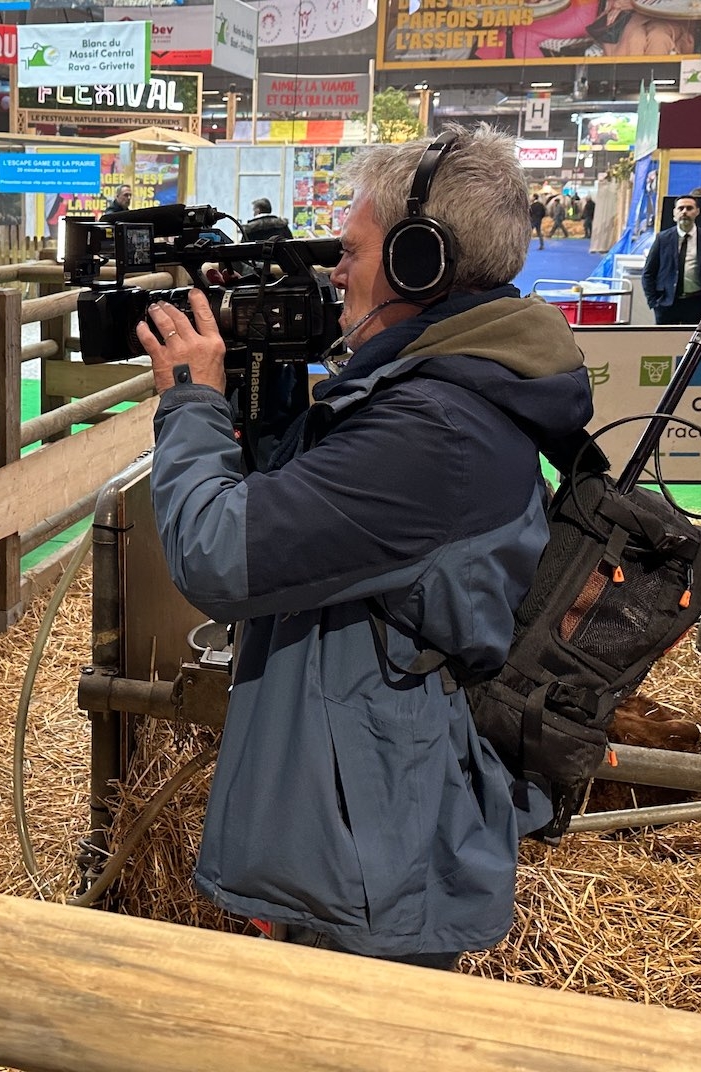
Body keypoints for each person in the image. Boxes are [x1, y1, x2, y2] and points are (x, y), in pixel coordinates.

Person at [135, 125, 593, 968]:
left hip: (370, 861)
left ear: (421, 261)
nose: (334, 273)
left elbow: (218, 554)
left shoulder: (431, 431)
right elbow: (306, 507)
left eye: (351, 252)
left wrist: (192, 406)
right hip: (368, 827)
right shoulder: (439, 388)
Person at [641, 194, 701, 325]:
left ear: (697, 211)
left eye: (689, 208)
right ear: (674, 213)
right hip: (668, 304)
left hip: (698, 303)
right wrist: (654, 302)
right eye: (680, 208)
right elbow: (648, 273)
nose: (684, 212)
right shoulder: (662, 239)